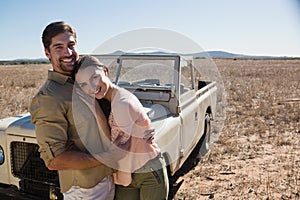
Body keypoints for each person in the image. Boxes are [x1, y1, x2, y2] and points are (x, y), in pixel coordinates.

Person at [29, 21, 115, 199]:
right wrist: (104, 157)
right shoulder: (49, 97)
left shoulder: (82, 80)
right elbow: (54, 160)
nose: (67, 53)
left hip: (107, 179)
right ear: (47, 53)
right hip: (85, 189)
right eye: (58, 47)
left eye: (71, 45)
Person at [74, 55, 169, 200]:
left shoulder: (121, 103)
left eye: (94, 77)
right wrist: (94, 108)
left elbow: (117, 151)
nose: (92, 88)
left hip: (147, 171)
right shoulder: (109, 100)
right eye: (84, 85)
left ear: (105, 71)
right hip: (127, 173)